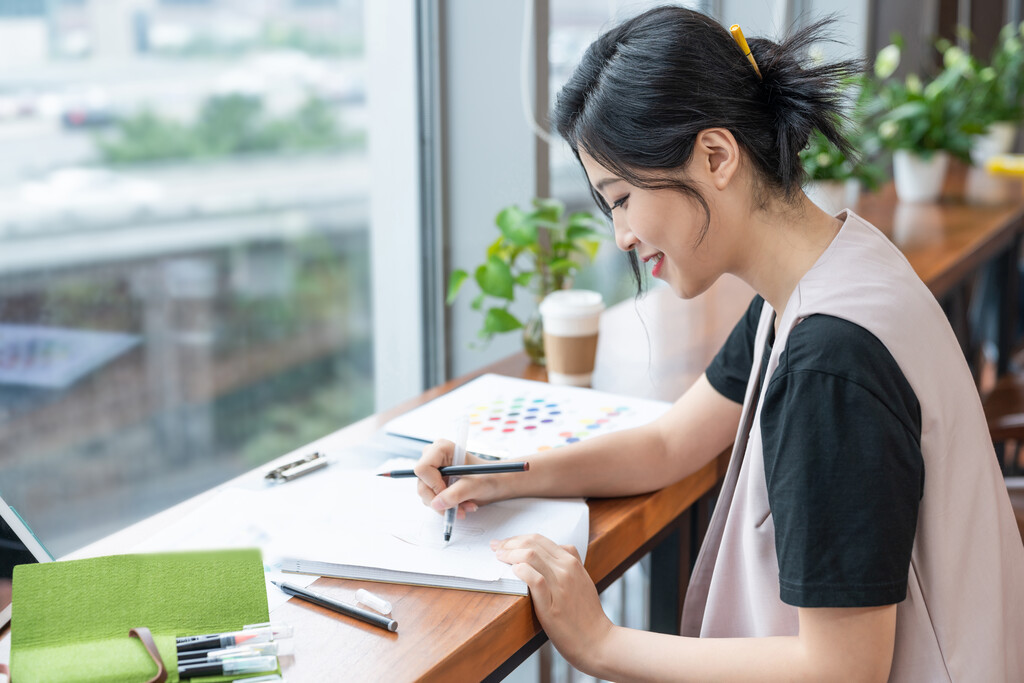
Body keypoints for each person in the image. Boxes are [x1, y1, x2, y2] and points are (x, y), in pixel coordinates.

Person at [414, 6, 1024, 681]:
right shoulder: (829, 272)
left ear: (716, 155)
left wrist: (598, 644)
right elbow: (669, 443)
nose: (620, 234)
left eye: (620, 197)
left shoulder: (828, 358)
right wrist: (498, 473)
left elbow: (842, 668)